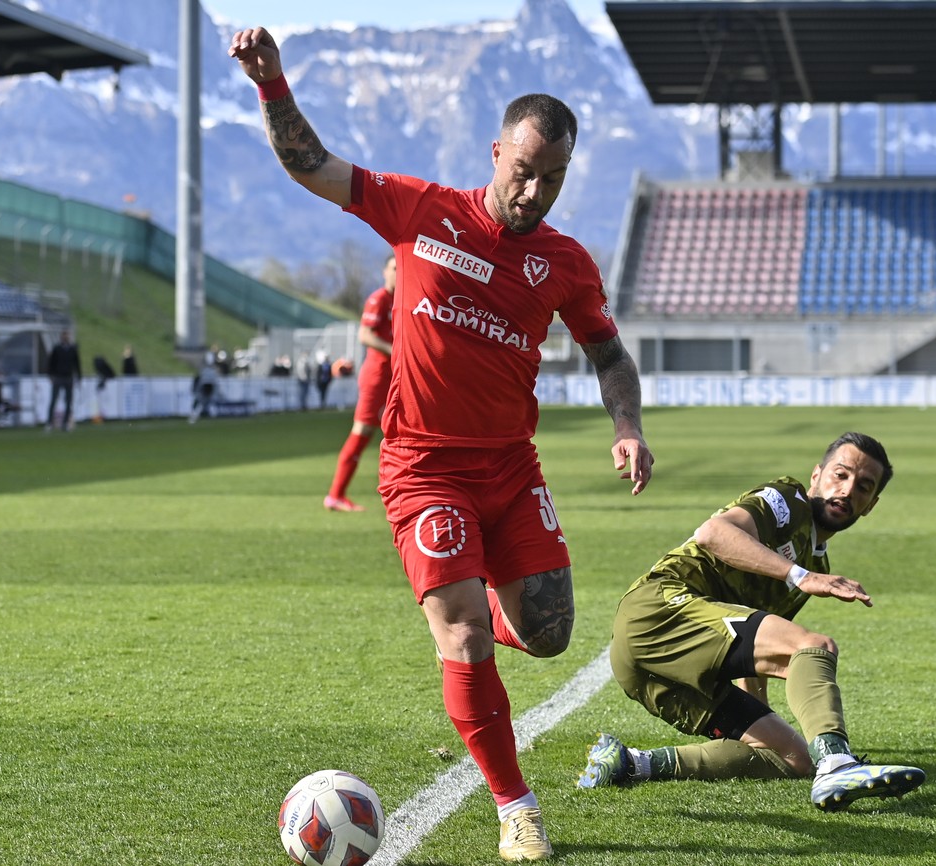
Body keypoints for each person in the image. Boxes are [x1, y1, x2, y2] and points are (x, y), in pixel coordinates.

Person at [233, 28, 654, 862]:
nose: (534, 190)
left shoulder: (566, 265)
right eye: (523, 170)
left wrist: (628, 426)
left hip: (510, 466)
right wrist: (273, 84)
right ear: (496, 151)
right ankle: (516, 805)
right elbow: (311, 165)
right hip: (423, 467)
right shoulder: (420, 210)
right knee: (461, 633)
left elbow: (609, 355)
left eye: (553, 178)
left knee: (548, 635)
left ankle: (464, 592)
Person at [576, 432, 925, 813]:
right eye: (839, 475)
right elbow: (713, 533)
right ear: (816, 476)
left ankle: (628, 763)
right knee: (815, 647)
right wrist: (800, 575)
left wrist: (759, 715)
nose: (847, 489)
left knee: (793, 757)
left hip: (646, 672)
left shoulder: (814, 563)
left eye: (863, 486)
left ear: (870, 505)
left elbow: (757, 646)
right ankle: (837, 763)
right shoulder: (789, 501)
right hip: (659, 609)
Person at [325, 256, 396, 512]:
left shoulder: (404, 300)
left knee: (400, 432)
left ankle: (401, 491)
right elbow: (365, 335)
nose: (398, 273)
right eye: (394, 268)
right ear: (384, 272)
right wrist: (395, 349)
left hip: (395, 375)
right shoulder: (379, 299)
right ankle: (335, 495)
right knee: (362, 432)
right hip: (377, 376)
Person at [46, 329, 81, 431]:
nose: (66, 337)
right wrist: (50, 375)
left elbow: (77, 363)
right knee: (54, 399)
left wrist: (79, 376)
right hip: (58, 376)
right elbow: (51, 363)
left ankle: (65, 423)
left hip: (68, 377)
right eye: (64, 335)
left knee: (69, 401)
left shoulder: (72, 349)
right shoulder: (57, 348)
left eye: (67, 335)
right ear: (61, 337)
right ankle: (49, 422)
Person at [189, 351, 219, 424]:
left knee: (202, 403)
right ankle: (197, 416)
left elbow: (203, 380)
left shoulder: (207, 370)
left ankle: (195, 417)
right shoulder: (209, 371)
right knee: (203, 403)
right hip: (206, 388)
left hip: (206, 388)